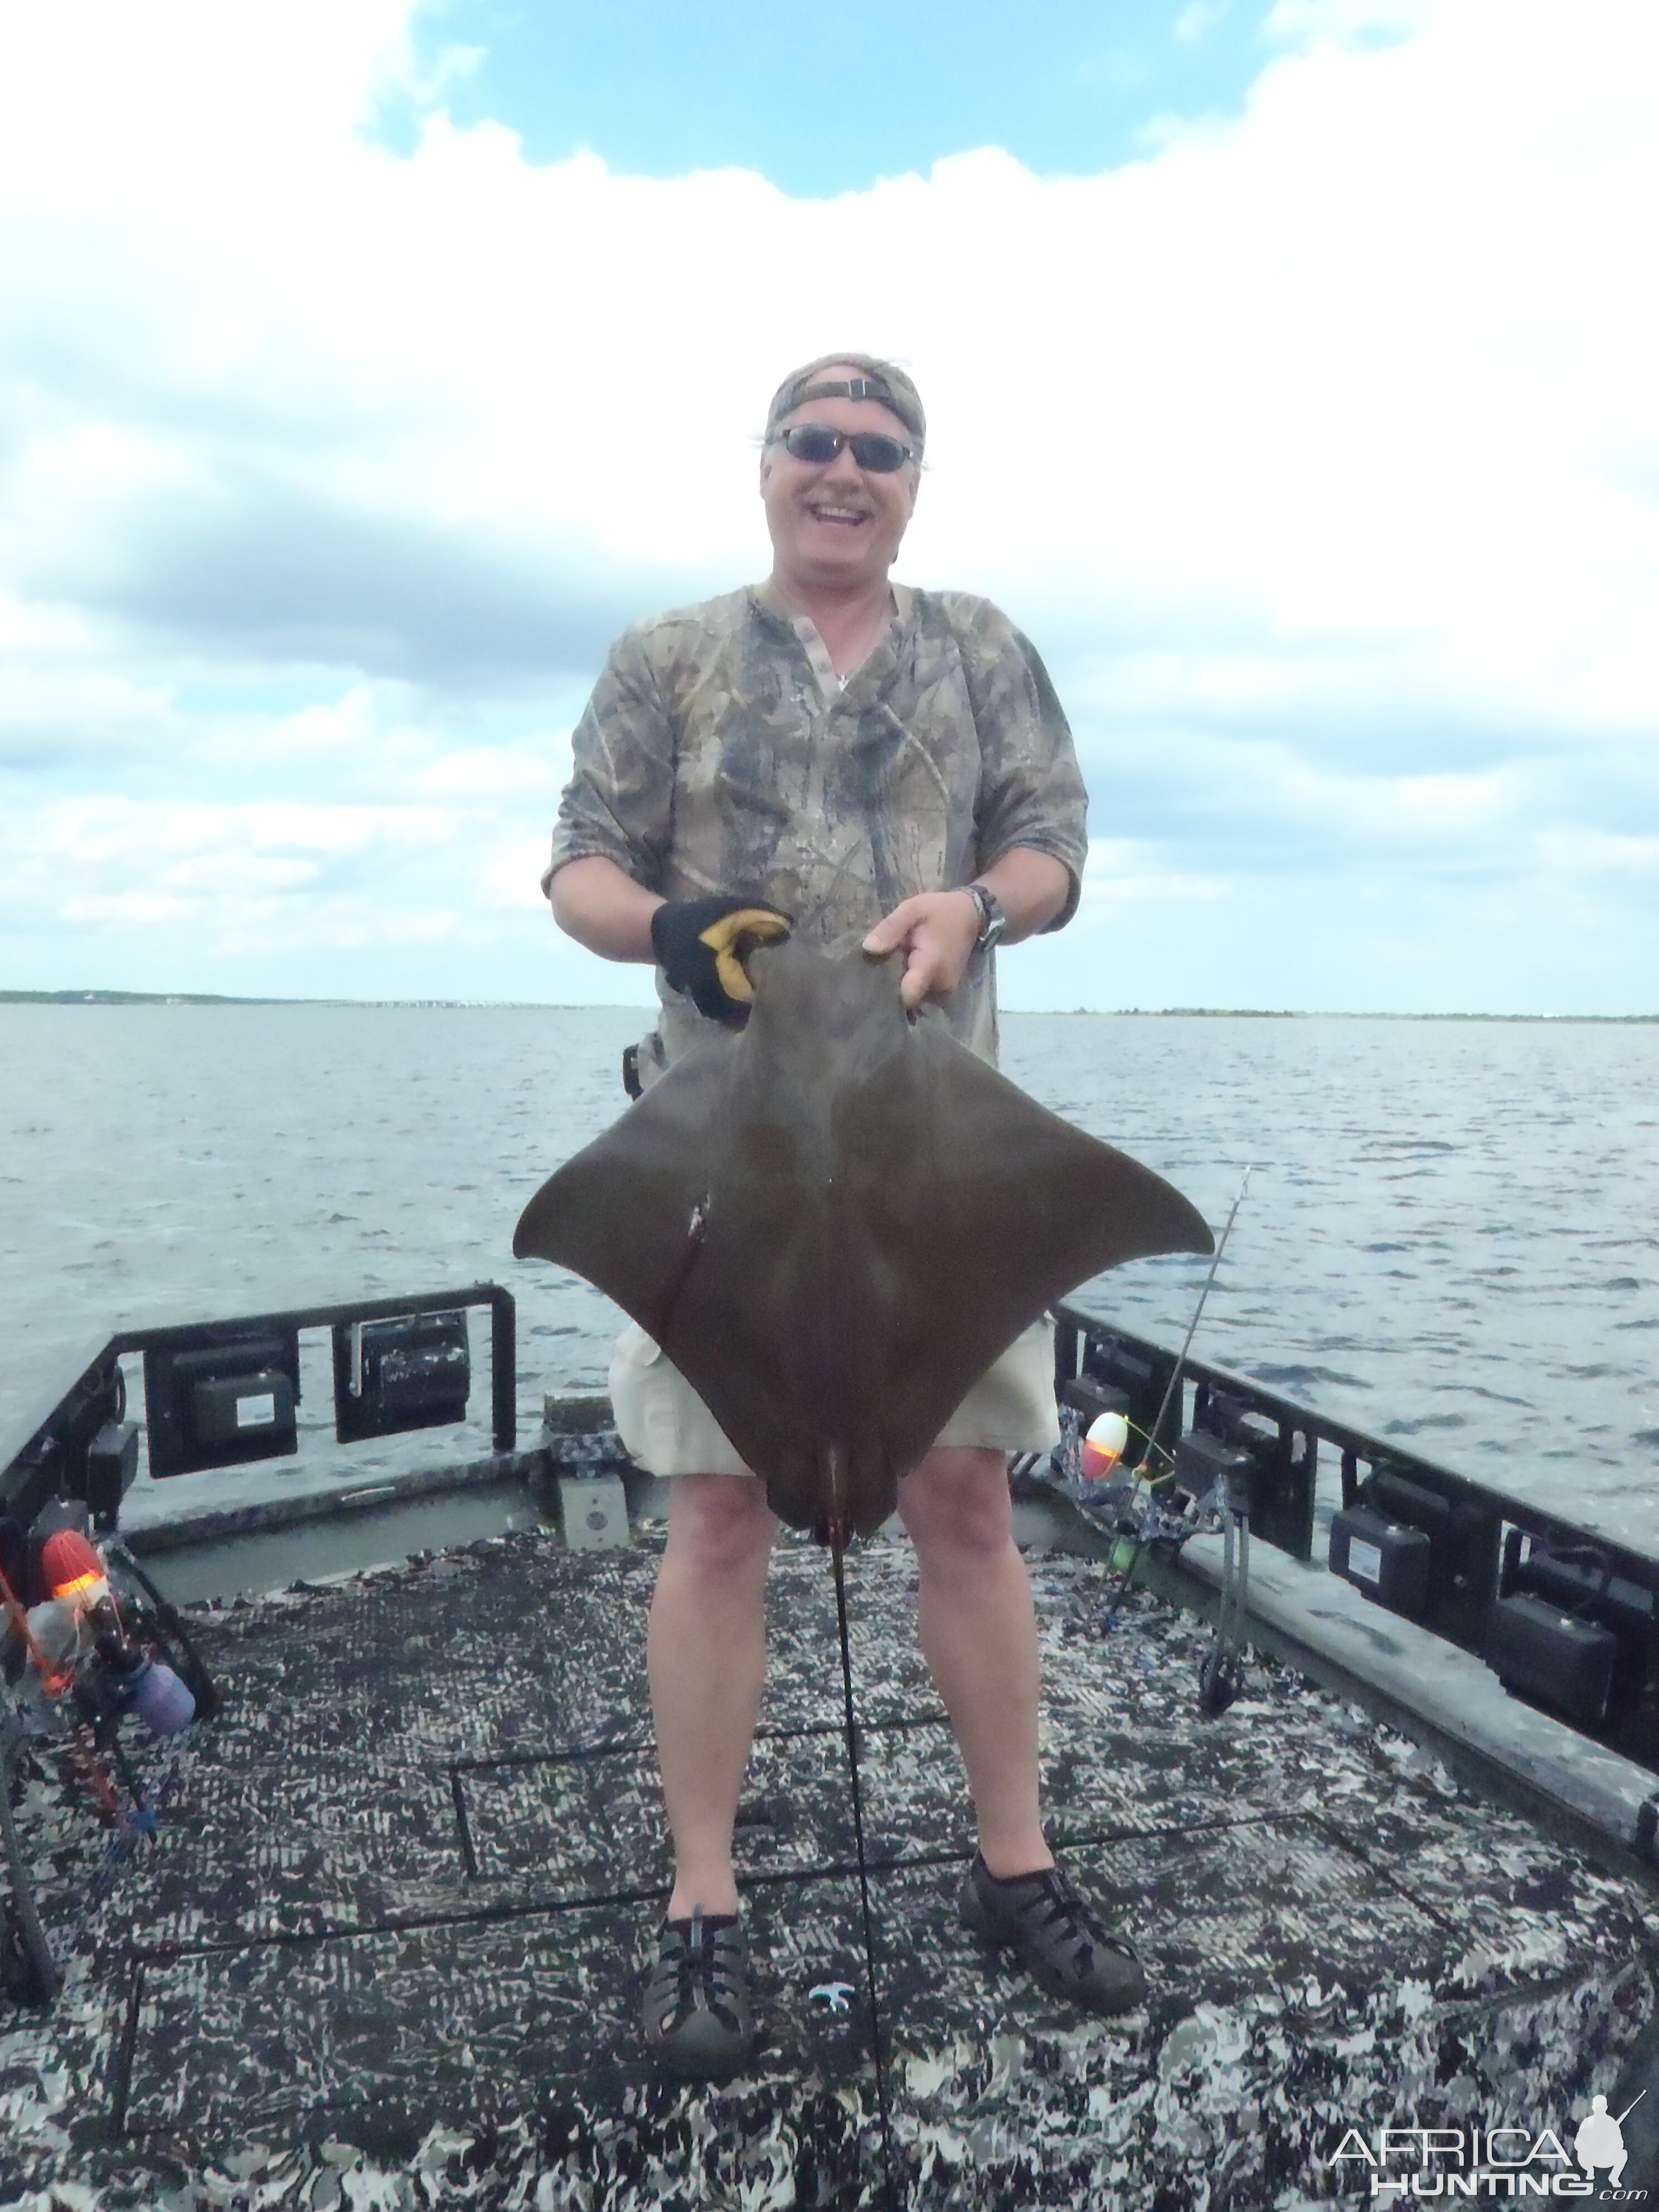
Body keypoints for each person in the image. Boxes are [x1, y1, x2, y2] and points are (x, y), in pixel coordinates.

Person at [542, 353, 1144, 2078]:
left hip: (934, 1147)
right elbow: (580, 864)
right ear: (764, 467)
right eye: (813, 441)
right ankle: (705, 1900)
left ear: (911, 485)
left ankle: (1014, 1866)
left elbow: (1057, 844)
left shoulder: (979, 648)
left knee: (966, 1492)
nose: (842, 469)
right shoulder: (667, 656)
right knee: (718, 1511)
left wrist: (973, 902)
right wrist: (665, 930)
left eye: (878, 451)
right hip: (718, 1150)